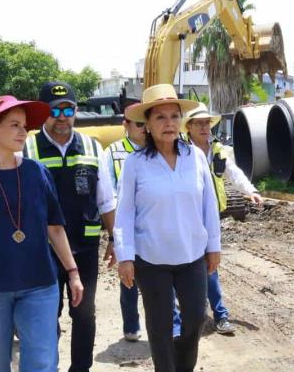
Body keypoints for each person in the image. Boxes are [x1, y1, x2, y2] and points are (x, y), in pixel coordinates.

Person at [0, 95, 82, 372]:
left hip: (39, 284)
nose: (23, 132)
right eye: (14, 125)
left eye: (25, 126)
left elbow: (55, 227)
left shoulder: (37, 172)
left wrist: (73, 272)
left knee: (42, 362)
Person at [114, 84, 221, 372]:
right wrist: (125, 256)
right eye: (160, 117)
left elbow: (208, 204)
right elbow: (124, 211)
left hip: (192, 256)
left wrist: (214, 246)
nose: (169, 123)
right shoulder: (136, 163)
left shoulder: (195, 157)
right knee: (160, 328)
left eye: (174, 116)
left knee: (195, 320)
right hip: (152, 260)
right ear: (147, 124)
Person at [26, 81, 116, 372]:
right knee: (47, 315)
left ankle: (81, 368)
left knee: (85, 314)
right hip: (42, 251)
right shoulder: (27, 148)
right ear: (43, 114)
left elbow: (106, 199)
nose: (62, 116)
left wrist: (115, 238)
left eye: (68, 109)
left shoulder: (92, 147)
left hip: (86, 248)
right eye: (54, 110)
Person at [173, 103, 265, 336]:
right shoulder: (180, 151)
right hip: (188, 217)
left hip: (212, 217)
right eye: (199, 123)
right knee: (192, 267)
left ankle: (214, 314)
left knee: (209, 266)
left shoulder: (218, 149)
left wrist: (250, 191)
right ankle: (207, 314)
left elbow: (234, 173)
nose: (205, 127)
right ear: (189, 127)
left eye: (207, 123)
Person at [99, 104, 146, 342]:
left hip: (152, 224)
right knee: (129, 277)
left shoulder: (159, 147)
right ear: (125, 125)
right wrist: (114, 234)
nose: (144, 128)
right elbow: (108, 193)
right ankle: (131, 324)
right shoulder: (114, 152)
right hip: (126, 224)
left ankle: (171, 322)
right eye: (139, 124)